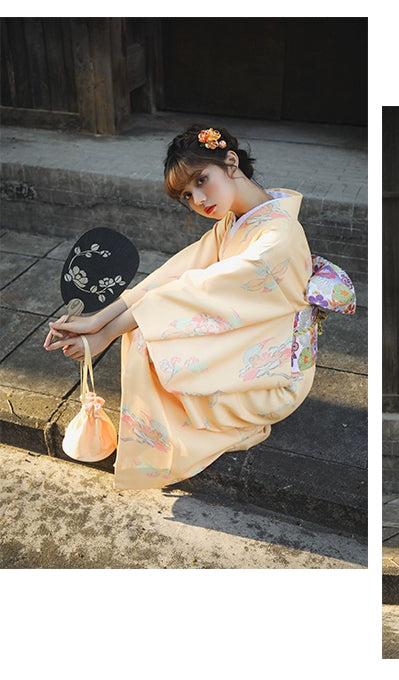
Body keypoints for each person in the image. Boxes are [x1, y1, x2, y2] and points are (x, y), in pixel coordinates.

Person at [44, 124, 354, 489]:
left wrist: (107, 333)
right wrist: (97, 322)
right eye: (187, 196)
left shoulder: (277, 237)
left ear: (231, 162)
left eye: (201, 180)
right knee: (152, 325)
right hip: (260, 346)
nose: (198, 199)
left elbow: (192, 292)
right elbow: (174, 274)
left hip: (278, 379)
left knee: (148, 337)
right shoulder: (236, 222)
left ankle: (169, 442)